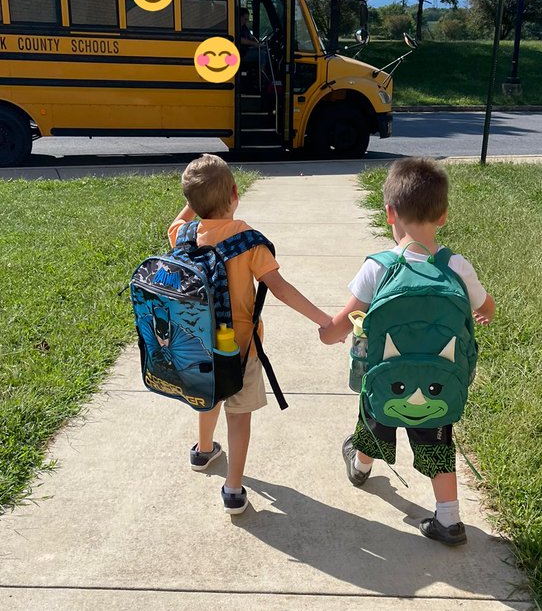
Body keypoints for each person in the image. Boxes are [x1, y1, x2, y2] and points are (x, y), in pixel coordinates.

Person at [319, 157, 496, 545]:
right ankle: (449, 520)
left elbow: (341, 324)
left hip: (386, 380)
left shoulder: (379, 267)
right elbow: (488, 307)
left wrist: (327, 332)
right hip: (437, 385)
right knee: (437, 442)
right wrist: (479, 312)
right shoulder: (457, 267)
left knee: (374, 417)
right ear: (444, 216)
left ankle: (362, 466)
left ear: (389, 214)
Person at [169, 154, 331, 515]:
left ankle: (203, 450)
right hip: (241, 350)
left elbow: (182, 218)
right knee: (238, 416)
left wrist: (195, 200)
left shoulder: (183, 234)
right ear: (235, 193)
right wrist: (322, 319)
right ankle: (233, 488)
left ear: (193, 203)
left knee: (208, 398)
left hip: (194, 346)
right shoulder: (248, 241)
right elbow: (280, 287)